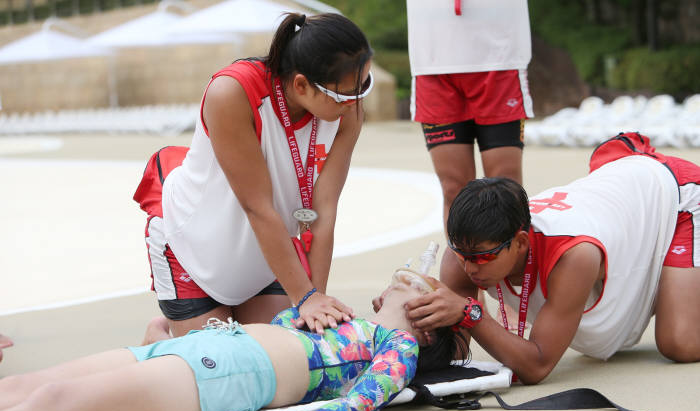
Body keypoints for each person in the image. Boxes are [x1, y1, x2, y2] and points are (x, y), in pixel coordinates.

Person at [0, 268, 467, 411]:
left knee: (54, 402)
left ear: (429, 327)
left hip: (224, 374)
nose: (411, 275)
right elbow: (277, 326)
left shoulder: (398, 345)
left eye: (422, 286)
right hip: (203, 347)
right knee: (23, 385)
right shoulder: (340, 315)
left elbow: (358, 405)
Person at [134, 12, 373, 343]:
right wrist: (303, 298)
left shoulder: (347, 110)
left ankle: (182, 338)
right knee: (220, 377)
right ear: (302, 85)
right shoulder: (232, 92)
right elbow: (257, 205)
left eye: (364, 85)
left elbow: (324, 210)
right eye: (345, 94)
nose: (356, 102)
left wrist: (315, 299)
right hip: (193, 247)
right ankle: (161, 338)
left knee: (287, 358)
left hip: (263, 253)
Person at [403, 132, 700, 384]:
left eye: (482, 256)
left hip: (677, 195)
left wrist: (471, 314)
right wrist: (410, 323)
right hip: (625, 193)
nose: (469, 268)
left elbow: (538, 365)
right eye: (463, 254)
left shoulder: (573, 254)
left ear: (520, 242)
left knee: (680, 343)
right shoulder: (462, 258)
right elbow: (453, 357)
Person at [406, 0, 534, 305]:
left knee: (506, 185)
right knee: (454, 188)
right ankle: (462, 301)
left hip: (498, 55)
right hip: (433, 59)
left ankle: (518, 296)